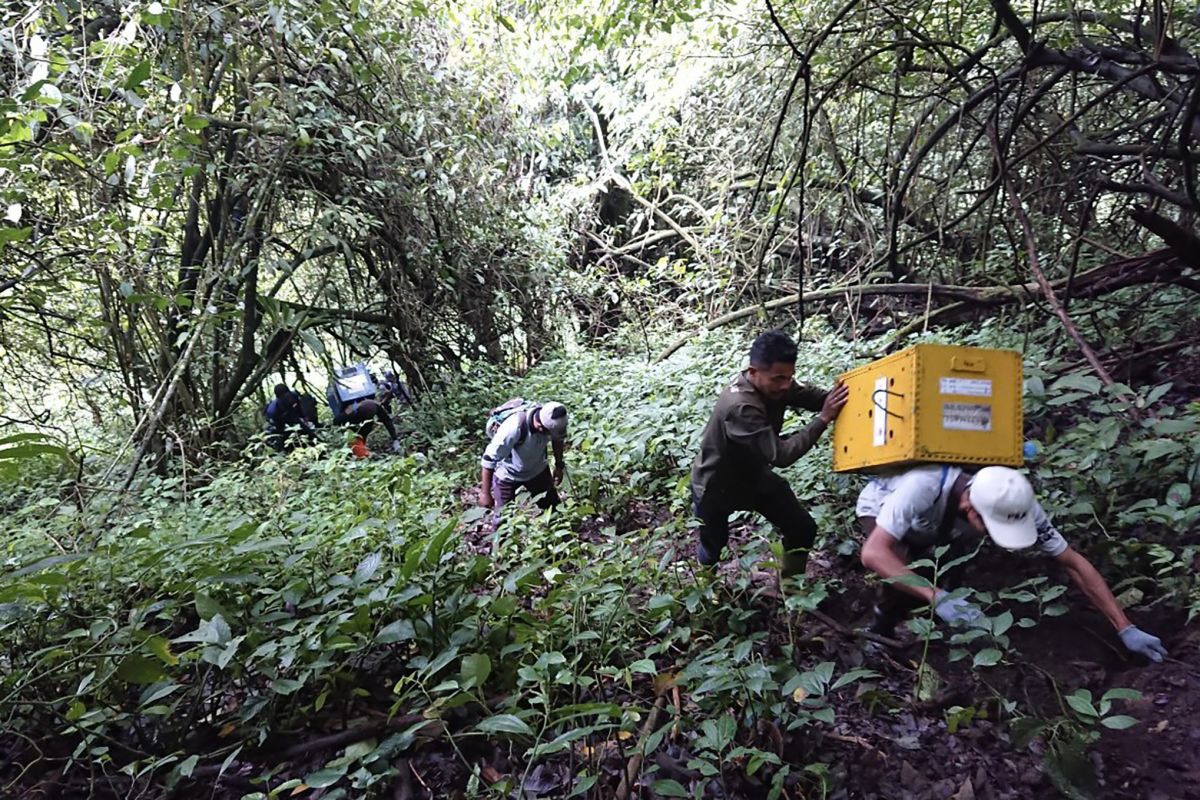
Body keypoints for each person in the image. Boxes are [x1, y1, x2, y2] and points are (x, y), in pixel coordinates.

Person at [857, 464, 1168, 662]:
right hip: (884, 510)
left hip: (944, 530)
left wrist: (1125, 627)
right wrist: (937, 596)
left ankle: (949, 631)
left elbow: (1071, 561)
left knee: (954, 566)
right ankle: (879, 630)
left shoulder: (1016, 501)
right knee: (900, 570)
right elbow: (873, 553)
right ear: (971, 510)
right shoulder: (921, 485)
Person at [690, 330, 850, 579]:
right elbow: (782, 455)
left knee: (801, 527)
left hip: (753, 476)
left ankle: (792, 588)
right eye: (778, 379)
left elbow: (813, 398)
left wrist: (848, 395)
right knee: (713, 547)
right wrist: (824, 418)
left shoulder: (775, 385)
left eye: (789, 377)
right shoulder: (741, 406)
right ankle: (705, 588)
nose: (785, 385)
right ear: (753, 372)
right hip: (715, 484)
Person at [479, 401, 568, 518]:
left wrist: (559, 465)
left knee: (553, 511)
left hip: (537, 470)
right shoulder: (513, 429)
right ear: (540, 427)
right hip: (507, 474)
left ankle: (561, 534)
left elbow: (558, 440)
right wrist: (485, 493)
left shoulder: (552, 422)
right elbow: (489, 459)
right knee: (503, 518)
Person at [326, 371, 402, 458]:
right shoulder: (361, 407)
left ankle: (363, 454)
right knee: (357, 439)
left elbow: (387, 420)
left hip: (359, 420)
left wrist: (395, 440)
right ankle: (363, 454)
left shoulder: (371, 406)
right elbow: (386, 420)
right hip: (354, 420)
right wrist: (395, 439)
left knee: (360, 436)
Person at [264, 383, 317, 451]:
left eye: (287, 394)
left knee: (306, 431)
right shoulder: (274, 409)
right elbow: (278, 427)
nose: (286, 397)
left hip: (292, 416)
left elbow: (298, 409)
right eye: (284, 396)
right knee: (284, 438)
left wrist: (304, 418)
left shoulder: (294, 396)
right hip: (279, 422)